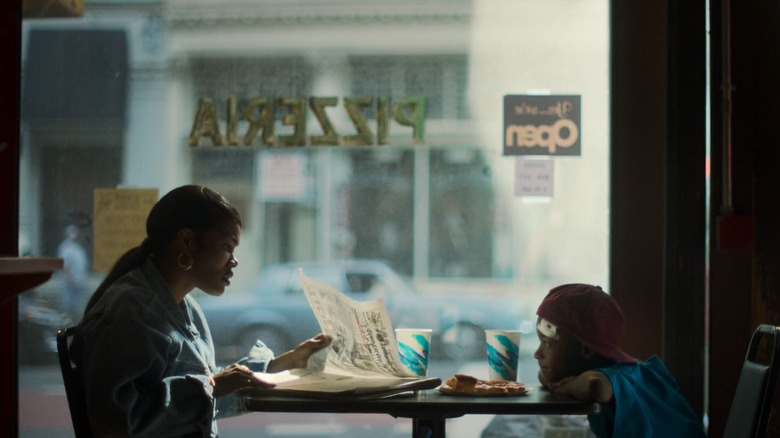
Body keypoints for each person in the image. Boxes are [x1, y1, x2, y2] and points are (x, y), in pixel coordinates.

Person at [70, 185, 331, 438]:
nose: (234, 261)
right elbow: (118, 421)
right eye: (227, 246)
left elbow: (202, 401)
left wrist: (282, 364)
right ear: (187, 241)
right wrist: (212, 388)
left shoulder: (184, 307)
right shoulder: (132, 311)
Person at [482, 283, 706, 438]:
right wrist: (552, 380)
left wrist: (562, 384)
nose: (537, 354)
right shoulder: (640, 370)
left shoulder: (616, 376)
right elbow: (545, 375)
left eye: (548, 344)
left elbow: (595, 386)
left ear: (586, 351)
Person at [57, 224, 89, 321]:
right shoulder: (65, 247)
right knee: (68, 306)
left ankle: (75, 323)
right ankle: (68, 324)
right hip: (70, 283)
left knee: (77, 306)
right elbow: (65, 265)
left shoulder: (77, 248)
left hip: (79, 282)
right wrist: (69, 279)